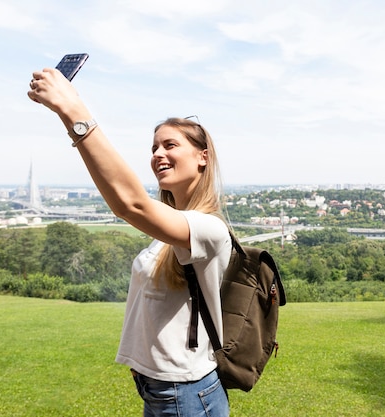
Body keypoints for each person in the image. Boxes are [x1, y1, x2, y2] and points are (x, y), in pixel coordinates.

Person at [28, 67, 232, 417]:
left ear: (203, 157)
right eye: (154, 147)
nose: (157, 154)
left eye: (170, 145)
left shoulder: (209, 230)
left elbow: (130, 203)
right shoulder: (169, 232)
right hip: (162, 391)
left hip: (184, 394)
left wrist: (72, 109)